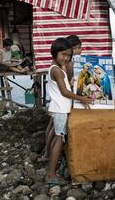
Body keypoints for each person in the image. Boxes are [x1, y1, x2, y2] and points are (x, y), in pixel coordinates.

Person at [44, 37, 91, 186]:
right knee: (59, 140)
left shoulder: (57, 68)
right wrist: (81, 98)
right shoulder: (57, 70)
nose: (66, 58)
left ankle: (51, 168)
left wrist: (69, 81)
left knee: (58, 138)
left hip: (60, 108)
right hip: (60, 110)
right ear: (55, 53)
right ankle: (51, 174)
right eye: (63, 55)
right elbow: (64, 92)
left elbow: (64, 86)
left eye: (69, 55)